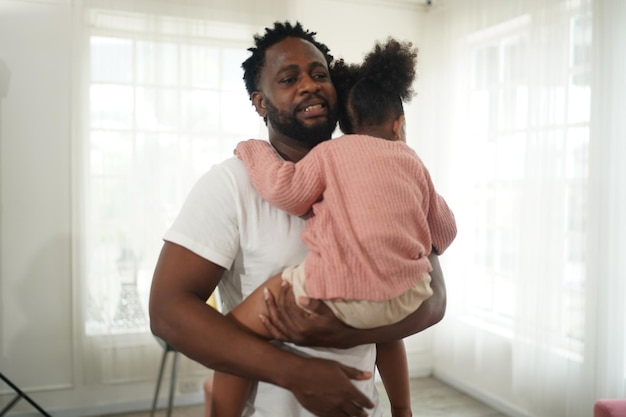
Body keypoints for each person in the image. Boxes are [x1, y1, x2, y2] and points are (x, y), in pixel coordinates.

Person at [149, 21, 448, 417]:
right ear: (260, 102)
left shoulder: (376, 176)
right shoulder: (230, 183)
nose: (310, 85)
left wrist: (342, 333)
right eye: (289, 78)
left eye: (320, 74)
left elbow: (434, 298)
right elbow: (167, 313)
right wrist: (298, 373)